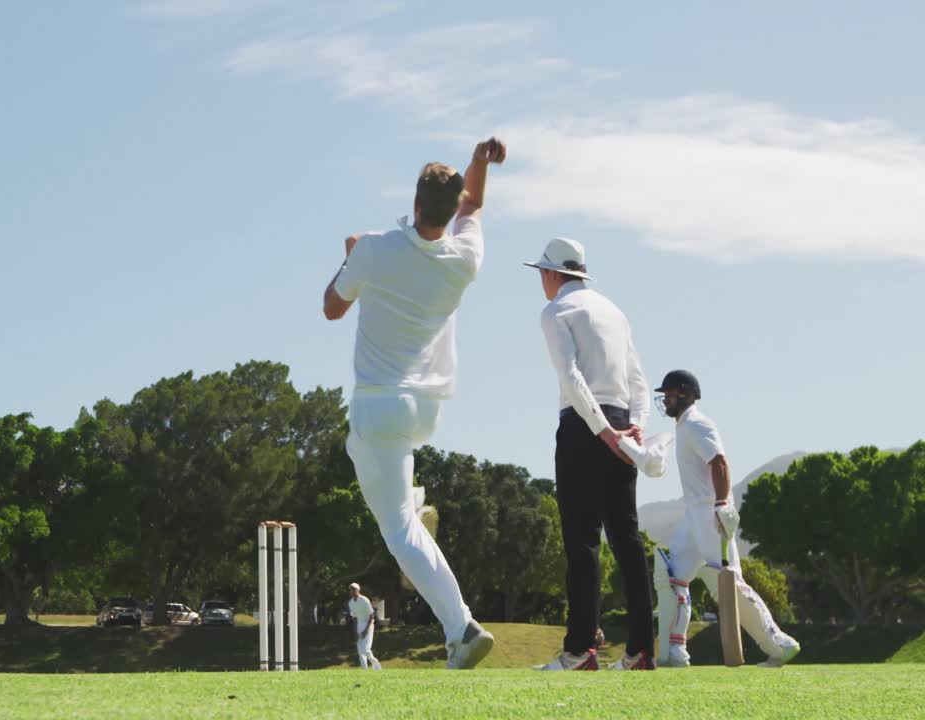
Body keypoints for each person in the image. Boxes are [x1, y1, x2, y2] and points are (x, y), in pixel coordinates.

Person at [323, 137, 505, 669]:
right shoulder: (464, 257)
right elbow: (473, 204)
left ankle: (462, 627)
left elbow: (332, 307)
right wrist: (480, 164)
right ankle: (414, 498)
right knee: (389, 492)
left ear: (416, 203)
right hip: (424, 409)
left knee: (399, 530)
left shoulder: (375, 248)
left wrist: (348, 258)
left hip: (379, 406)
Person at [525, 237, 656, 671]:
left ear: (550, 274)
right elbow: (639, 380)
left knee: (582, 543)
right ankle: (641, 651)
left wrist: (602, 432)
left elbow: (571, 376)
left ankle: (580, 650)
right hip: (620, 421)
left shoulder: (555, 311)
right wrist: (633, 428)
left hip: (586, 427)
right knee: (627, 538)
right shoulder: (614, 312)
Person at [652, 370, 801, 668]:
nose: (664, 399)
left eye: (669, 393)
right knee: (672, 578)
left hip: (710, 515)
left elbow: (719, 461)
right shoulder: (683, 426)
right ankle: (675, 651)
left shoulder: (697, 423)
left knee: (731, 585)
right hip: (693, 517)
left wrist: (722, 504)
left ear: (685, 394)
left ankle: (779, 644)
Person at [347, 583, 381, 670]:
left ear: (358, 590)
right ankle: (364, 669)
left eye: (354, 589)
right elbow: (354, 617)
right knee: (360, 651)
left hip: (368, 624)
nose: (352, 591)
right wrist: (355, 631)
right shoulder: (351, 603)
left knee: (365, 649)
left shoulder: (364, 600)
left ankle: (376, 665)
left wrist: (366, 630)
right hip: (359, 625)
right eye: (351, 589)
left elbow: (371, 615)